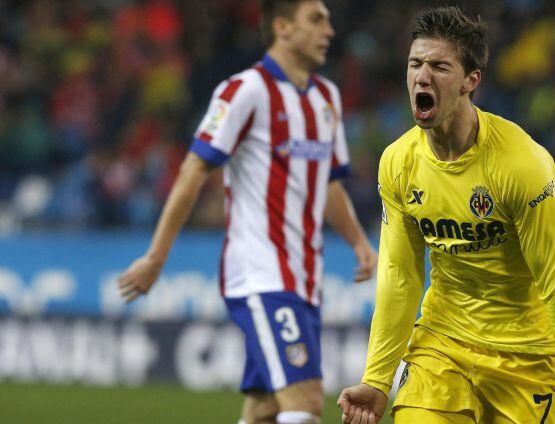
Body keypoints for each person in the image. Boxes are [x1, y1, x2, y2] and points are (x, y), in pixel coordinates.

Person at [338, 6, 555, 424]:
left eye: (439, 66)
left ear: (470, 80)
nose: (422, 76)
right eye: (415, 64)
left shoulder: (521, 164)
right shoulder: (398, 162)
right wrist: (377, 379)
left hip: (526, 352)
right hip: (443, 342)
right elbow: (400, 275)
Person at [117, 1, 377, 423]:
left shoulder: (326, 98)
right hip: (261, 273)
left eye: (329, 20)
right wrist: (156, 257)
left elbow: (329, 182)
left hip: (305, 278)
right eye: (316, 19)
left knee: (264, 409)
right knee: (307, 401)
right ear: (282, 27)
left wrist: (359, 242)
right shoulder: (245, 90)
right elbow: (192, 172)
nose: (328, 30)